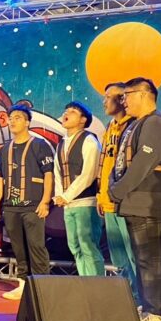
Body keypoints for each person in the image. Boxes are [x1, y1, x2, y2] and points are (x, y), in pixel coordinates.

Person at [109, 77, 161, 321]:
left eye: (126, 95)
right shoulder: (136, 125)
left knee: (151, 261)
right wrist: (114, 187)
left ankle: (159, 318)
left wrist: (119, 189)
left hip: (149, 202)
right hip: (135, 202)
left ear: (143, 94)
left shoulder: (155, 123)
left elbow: (142, 163)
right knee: (143, 260)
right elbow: (121, 163)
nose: (123, 101)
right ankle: (149, 310)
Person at [0, 104, 54, 301]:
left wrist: (45, 202)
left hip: (33, 205)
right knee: (18, 247)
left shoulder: (39, 145)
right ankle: (23, 284)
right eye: (10, 118)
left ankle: (42, 287)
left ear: (27, 122)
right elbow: (1, 177)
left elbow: (49, 174)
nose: (12, 121)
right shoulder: (6, 148)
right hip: (11, 206)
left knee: (36, 246)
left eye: (17, 117)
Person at [96, 82, 141, 309]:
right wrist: (100, 194)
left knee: (134, 254)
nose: (104, 101)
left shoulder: (134, 126)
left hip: (126, 202)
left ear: (122, 99)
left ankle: (142, 300)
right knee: (119, 257)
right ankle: (128, 296)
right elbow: (105, 163)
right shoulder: (110, 127)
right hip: (108, 200)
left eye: (109, 97)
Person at [53, 101, 105, 277]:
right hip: (69, 205)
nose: (66, 113)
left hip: (86, 202)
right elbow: (57, 172)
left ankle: (97, 284)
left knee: (88, 245)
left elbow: (89, 173)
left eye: (73, 112)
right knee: (74, 246)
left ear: (83, 120)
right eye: (66, 110)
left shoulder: (89, 140)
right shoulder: (61, 143)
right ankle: (85, 281)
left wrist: (67, 196)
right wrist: (59, 195)